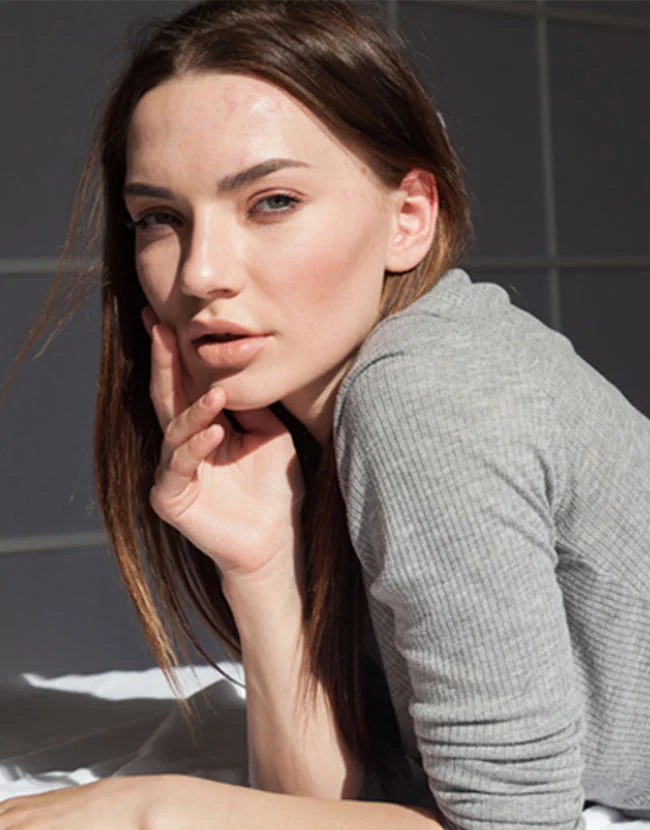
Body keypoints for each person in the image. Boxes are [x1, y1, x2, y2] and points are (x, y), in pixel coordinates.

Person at [1, 1, 648, 829]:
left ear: (409, 217)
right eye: (159, 218)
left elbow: (512, 826)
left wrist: (153, 808)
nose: (200, 272)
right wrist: (262, 564)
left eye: (271, 202)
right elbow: (314, 812)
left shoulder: (424, 395)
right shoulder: (329, 426)